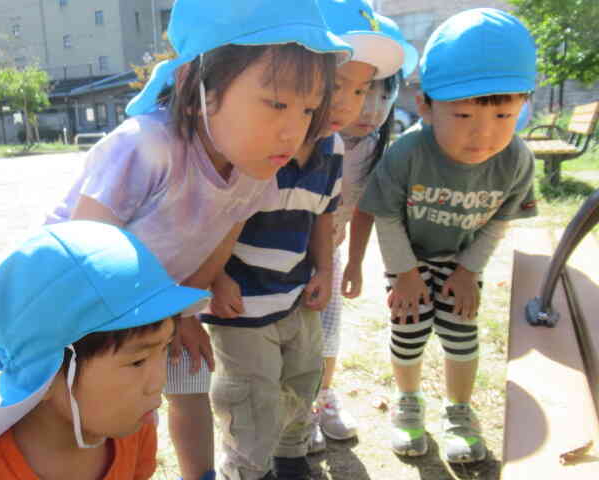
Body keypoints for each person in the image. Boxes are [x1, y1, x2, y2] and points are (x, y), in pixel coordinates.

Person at [45, 2, 352, 479]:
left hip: (160, 309)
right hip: (76, 317)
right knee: (82, 425)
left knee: (181, 389)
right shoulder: (147, 147)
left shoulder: (256, 166)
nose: (294, 130)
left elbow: (223, 237)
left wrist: (184, 314)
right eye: (276, 103)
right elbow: (83, 251)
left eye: (308, 108)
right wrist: (128, 334)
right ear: (199, 88)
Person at [202, 1, 404, 478]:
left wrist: (327, 269)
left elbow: (325, 212)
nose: (348, 103)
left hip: (297, 293)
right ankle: (247, 470)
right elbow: (216, 215)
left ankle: (291, 456)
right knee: (251, 397)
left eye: (361, 89)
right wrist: (216, 276)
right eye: (336, 85)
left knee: (301, 381)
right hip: (242, 304)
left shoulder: (333, 148)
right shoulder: (258, 141)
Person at [359, 8, 538, 463]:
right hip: (409, 261)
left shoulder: (516, 159)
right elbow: (386, 216)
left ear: (523, 104)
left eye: (504, 114)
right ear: (425, 104)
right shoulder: (406, 155)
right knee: (408, 334)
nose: (484, 135)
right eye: (462, 115)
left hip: (462, 263)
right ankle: (409, 403)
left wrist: (468, 270)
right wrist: (404, 273)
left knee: (462, 335)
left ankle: (459, 410)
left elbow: (499, 218)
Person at [0, 221, 211, 480]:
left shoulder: (132, 432)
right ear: (45, 376)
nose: (159, 381)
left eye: (165, 349)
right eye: (138, 361)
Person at [309, 13, 419, 452]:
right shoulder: (308, 135)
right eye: (356, 91)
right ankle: (294, 408)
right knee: (292, 334)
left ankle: (322, 396)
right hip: (285, 254)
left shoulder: (375, 146)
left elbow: (364, 208)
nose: (369, 108)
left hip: (330, 253)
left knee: (328, 329)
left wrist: (354, 261)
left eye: (380, 94)